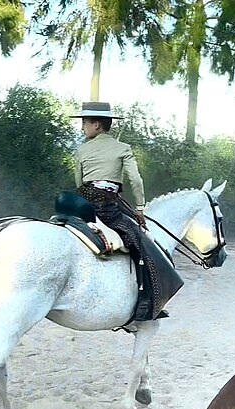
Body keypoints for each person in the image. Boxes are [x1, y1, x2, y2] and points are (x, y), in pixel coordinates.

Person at [70, 101, 181, 321]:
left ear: (98, 125)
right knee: (141, 242)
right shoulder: (122, 149)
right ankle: (147, 302)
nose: (82, 127)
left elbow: (78, 180)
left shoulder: (82, 149)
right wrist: (139, 208)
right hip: (107, 204)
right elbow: (136, 181)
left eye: (85, 123)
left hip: (81, 201)